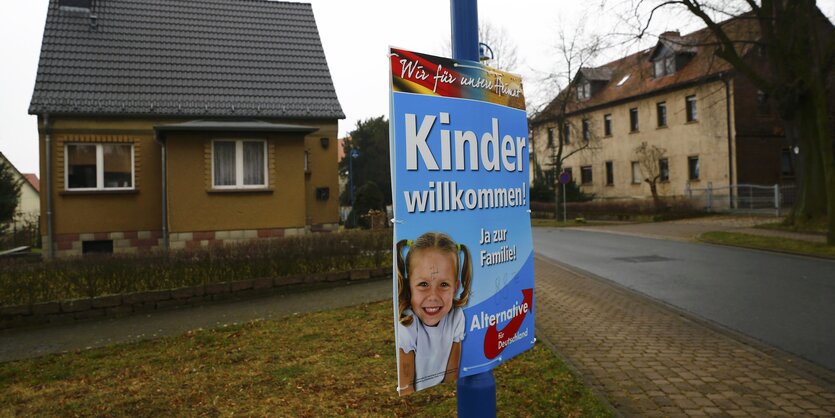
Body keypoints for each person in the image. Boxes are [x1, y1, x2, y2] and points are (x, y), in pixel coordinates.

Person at [395, 232, 472, 396]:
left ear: (455, 287)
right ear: (409, 286)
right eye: (423, 284)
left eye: (444, 284)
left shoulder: (456, 317)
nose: (433, 296)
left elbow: (452, 374)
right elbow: (406, 388)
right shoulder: (407, 323)